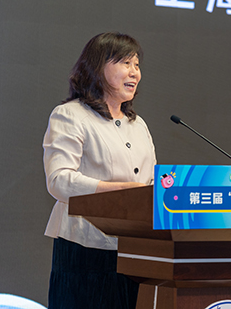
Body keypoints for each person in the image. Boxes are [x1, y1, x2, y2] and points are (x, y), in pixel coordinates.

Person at [42, 32, 156, 309]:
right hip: (85, 250)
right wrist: (120, 191)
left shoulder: (137, 124)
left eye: (137, 65)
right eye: (125, 63)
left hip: (137, 249)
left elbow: (150, 181)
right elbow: (59, 180)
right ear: (97, 67)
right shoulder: (70, 115)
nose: (135, 72)